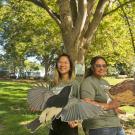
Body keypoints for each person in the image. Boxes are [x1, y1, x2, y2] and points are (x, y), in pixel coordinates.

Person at [80, 56, 125, 135]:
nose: (101, 68)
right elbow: (87, 104)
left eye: (104, 66)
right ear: (92, 68)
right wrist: (110, 106)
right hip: (100, 126)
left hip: (116, 124)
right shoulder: (88, 82)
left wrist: (116, 108)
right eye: (98, 66)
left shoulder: (105, 82)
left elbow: (109, 102)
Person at [48, 53, 80, 135]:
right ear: (57, 65)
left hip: (68, 123)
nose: (62, 65)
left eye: (65, 62)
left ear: (70, 66)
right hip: (54, 123)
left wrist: (76, 119)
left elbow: (79, 103)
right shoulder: (52, 83)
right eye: (60, 62)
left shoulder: (75, 83)